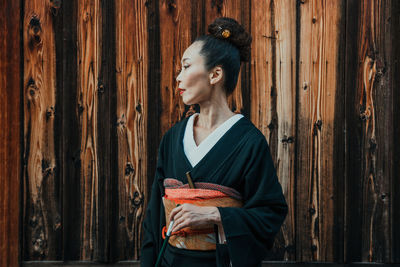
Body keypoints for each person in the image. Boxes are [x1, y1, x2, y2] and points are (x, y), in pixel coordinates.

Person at [141, 17, 288, 267]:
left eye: (186, 67)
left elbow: (269, 214)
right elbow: (154, 217)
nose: (178, 77)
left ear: (215, 74)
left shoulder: (249, 142)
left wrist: (216, 214)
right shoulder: (172, 138)